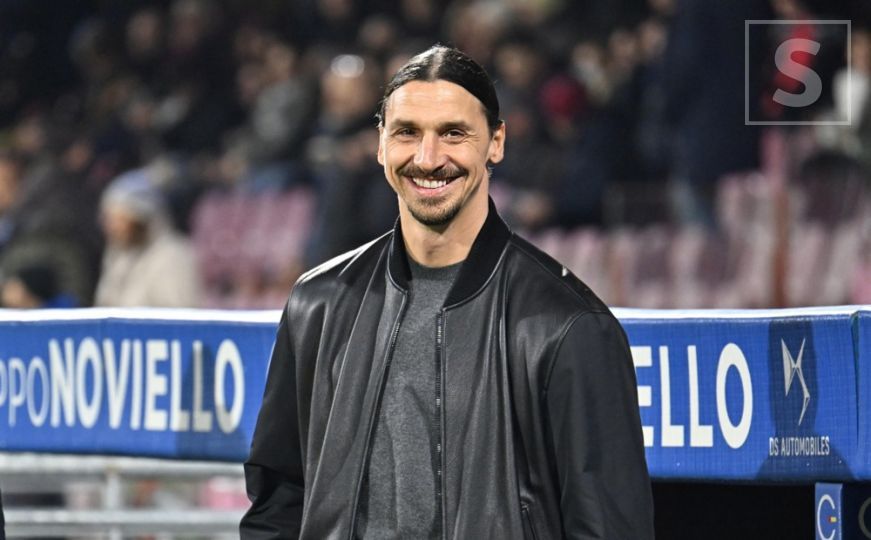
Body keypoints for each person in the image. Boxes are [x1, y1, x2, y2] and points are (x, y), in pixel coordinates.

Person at [241, 45, 653, 539]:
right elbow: (279, 502)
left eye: (453, 133)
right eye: (407, 133)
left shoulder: (568, 326)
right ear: (380, 144)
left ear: (496, 142)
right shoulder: (318, 304)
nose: (428, 158)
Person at [94, 167, 202, 307]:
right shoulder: (118, 255)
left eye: (119, 220)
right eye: (109, 219)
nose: (111, 227)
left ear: (140, 219)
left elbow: (178, 314)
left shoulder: (172, 255)